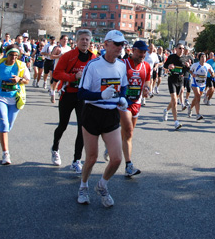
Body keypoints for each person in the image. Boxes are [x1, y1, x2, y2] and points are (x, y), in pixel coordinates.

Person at [76, 30, 128, 207]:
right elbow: (81, 93)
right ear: (106, 44)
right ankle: (83, 186)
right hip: (92, 113)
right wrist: (100, 94)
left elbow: (124, 87)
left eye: (122, 44)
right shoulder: (93, 65)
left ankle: (102, 185)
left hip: (111, 114)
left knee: (116, 159)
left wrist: (122, 99)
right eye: (116, 44)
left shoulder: (121, 65)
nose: (120, 48)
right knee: (91, 157)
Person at [52, 29, 96, 172]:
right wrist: (73, 77)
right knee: (63, 125)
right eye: (82, 39)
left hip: (82, 97)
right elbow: (57, 73)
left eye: (87, 40)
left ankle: (76, 160)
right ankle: (55, 148)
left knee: (82, 129)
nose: (84, 42)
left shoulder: (93, 57)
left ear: (90, 42)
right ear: (76, 41)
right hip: (68, 94)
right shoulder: (68, 56)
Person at [0, 45, 30, 165]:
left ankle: (1, 134)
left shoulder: (21, 66)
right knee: (4, 124)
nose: (14, 58)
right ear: (7, 54)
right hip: (0, 97)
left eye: (16, 56)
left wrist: (19, 79)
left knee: (9, 125)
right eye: (11, 55)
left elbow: (27, 80)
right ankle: (5, 153)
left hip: (15, 98)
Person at [119, 40, 151, 176]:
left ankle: (113, 145)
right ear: (133, 50)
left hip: (137, 102)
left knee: (128, 134)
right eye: (140, 51)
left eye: (144, 52)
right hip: (123, 102)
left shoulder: (147, 66)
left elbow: (147, 81)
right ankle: (128, 165)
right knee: (129, 131)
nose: (142, 54)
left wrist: (146, 89)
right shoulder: (123, 64)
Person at [162, 44, 191, 130]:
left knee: (174, 100)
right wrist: (169, 66)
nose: (181, 50)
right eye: (180, 48)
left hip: (180, 81)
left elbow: (186, 71)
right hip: (172, 80)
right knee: (174, 100)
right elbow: (165, 65)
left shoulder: (185, 58)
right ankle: (176, 122)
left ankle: (166, 110)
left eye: (183, 48)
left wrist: (188, 66)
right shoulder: (172, 57)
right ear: (176, 49)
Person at [188, 52, 213, 120]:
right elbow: (190, 70)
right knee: (198, 96)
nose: (203, 58)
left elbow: (212, 72)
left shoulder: (208, 65)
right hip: (195, 83)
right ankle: (198, 114)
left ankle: (190, 107)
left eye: (204, 57)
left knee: (197, 98)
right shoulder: (195, 65)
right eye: (202, 57)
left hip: (202, 84)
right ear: (199, 58)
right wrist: (192, 74)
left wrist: (212, 74)